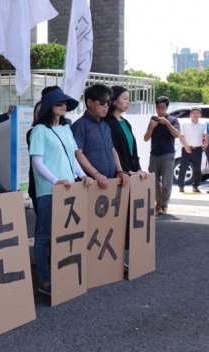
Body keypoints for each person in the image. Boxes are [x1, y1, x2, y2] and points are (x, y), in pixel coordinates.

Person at [29, 86, 94, 295]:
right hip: (49, 189)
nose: (63, 106)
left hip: (68, 188)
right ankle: (44, 279)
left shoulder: (67, 128)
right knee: (44, 236)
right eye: (59, 103)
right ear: (49, 107)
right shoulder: (39, 130)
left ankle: (59, 274)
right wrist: (56, 180)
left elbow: (72, 157)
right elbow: (37, 162)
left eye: (65, 102)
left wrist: (82, 175)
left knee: (64, 233)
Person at [71, 84, 130, 189]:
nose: (106, 106)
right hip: (90, 184)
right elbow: (77, 153)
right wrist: (96, 174)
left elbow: (112, 149)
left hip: (110, 182)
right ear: (89, 102)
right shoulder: (80, 126)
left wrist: (120, 171)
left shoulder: (105, 125)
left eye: (108, 103)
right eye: (102, 102)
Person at [143, 96, 180, 214]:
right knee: (154, 181)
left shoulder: (173, 120)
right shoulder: (152, 120)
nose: (160, 110)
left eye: (163, 108)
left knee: (166, 182)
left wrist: (167, 123)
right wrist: (152, 127)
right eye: (158, 107)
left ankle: (164, 204)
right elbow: (146, 138)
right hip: (154, 154)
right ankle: (158, 203)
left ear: (167, 108)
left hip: (167, 154)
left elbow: (176, 134)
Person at [106, 86, 148, 180]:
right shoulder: (108, 123)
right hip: (120, 174)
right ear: (114, 101)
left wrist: (138, 169)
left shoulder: (126, 123)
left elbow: (133, 151)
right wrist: (125, 170)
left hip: (132, 172)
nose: (128, 102)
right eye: (124, 99)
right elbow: (113, 150)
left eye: (128, 99)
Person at [176, 107, 206, 192]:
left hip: (198, 149)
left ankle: (196, 186)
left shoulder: (203, 124)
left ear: (200, 115)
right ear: (190, 114)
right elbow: (181, 136)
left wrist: (205, 143)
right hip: (186, 148)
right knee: (183, 168)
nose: (195, 115)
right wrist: (185, 146)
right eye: (194, 113)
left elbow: (205, 135)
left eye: (197, 113)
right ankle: (181, 186)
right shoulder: (184, 124)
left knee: (197, 169)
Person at [26, 101, 41, 214]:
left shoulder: (63, 129)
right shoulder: (32, 133)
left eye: (40, 111)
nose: (37, 114)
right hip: (37, 183)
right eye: (36, 111)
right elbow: (37, 161)